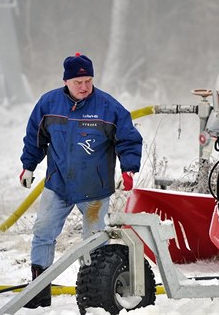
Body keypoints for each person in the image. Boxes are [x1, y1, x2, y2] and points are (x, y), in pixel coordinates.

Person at [19, 52, 143, 308]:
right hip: (59, 185)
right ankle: (39, 290)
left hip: (95, 189)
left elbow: (128, 138)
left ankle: (95, 292)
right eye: (78, 82)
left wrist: (129, 168)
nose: (84, 86)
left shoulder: (108, 107)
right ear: (66, 81)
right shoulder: (48, 104)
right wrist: (28, 166)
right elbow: (35, 138)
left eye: (88, 80)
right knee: (42, 232)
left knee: (94, 241)